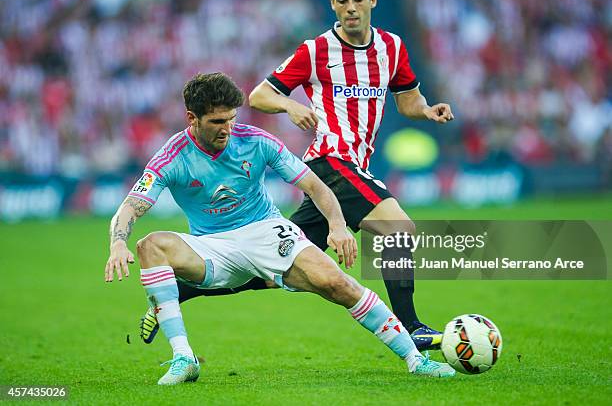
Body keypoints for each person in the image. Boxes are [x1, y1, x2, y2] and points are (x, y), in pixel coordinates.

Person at [141, 0, 455, 351]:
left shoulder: (392, 48)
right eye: (342, 1)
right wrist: (290, 107)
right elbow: (259, 95)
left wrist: (426, 110)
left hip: (354, 166)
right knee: (398, 229)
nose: (351, 8)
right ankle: (411, 326)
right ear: (333, 3)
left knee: (276, 266)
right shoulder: (316, 50)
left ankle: (181, 290)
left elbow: (408, 101)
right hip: (331, 161)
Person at [105, 73, 455, 385]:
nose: (226, 128)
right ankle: (184, 358)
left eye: (230, 118)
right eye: (216, 121)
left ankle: (415, 359)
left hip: (266, 231)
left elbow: (317, 186)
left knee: (336, 283)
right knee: (150, 245)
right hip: (211, 246)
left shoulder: (256, 141)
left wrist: (337, 226)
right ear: (192, 118)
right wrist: (118, 243)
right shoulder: (172, 156)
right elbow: (130, 207)